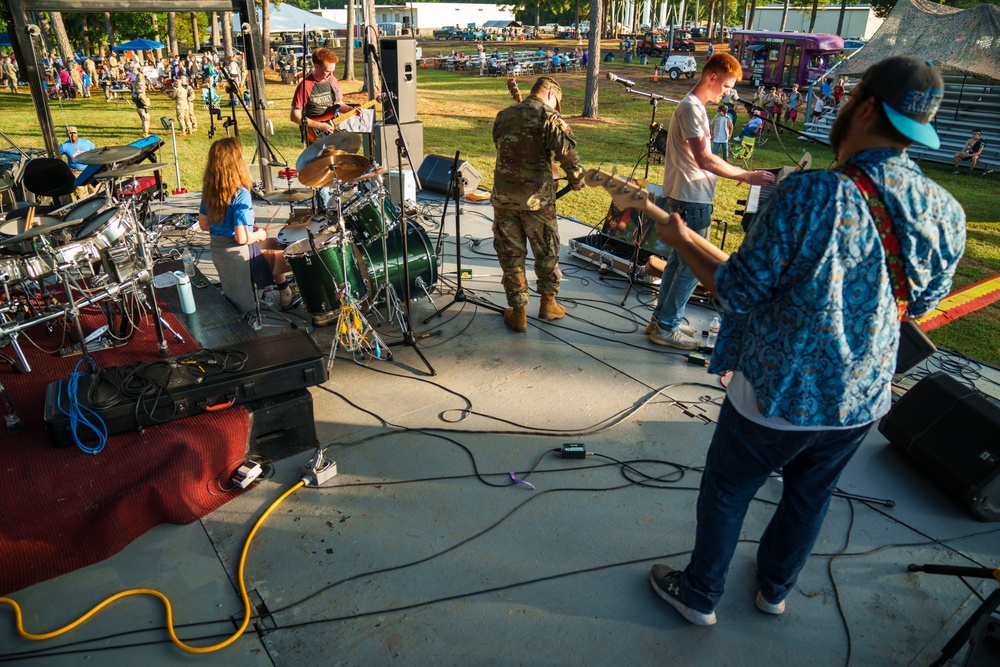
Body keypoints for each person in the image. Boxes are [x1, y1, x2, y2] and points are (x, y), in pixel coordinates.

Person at [646, 55, 965, 627]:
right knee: (810, 496)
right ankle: (774, 590)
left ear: (864, 107)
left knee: (729, 488)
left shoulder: (810, 194)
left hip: (777, 392)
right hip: (861, 397)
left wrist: (679, 236)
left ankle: (700, 595)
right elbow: (919, 304)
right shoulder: (947, 212)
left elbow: (737, 289)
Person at [646, 53, 775, 350]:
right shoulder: (691, 108)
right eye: (727, 85)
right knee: (692, 265)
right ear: (712, 77)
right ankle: (667, 326)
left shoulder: (698, 108)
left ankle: (661, 319)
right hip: (691, 197)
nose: (727, 92)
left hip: (687, 194)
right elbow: (704, 159)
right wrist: (745, 174)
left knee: (678, 261)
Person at [491, 76, 584, 332]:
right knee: (546, 252)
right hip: (537, 201)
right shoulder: (549, 116)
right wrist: (576, 178)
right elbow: (566, 151)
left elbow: (501, 145)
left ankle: (519, 312)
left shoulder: (504, 115)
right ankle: (548, 303)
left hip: (504, 200)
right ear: (552, 94)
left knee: (511, 256)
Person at [197, 137, 295, 316]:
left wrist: (234, 222)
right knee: (289, 252)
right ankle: (286, 291)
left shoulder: (210, 190)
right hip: (238, 253)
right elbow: (241, 238)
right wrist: (259, 235)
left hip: (219, 250)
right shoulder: (240, 194)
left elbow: (203, 224)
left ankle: (285, 292)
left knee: (276, 244)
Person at [289, 47, 353, 143]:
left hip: (333, 130)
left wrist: (350, 110)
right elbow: (294, 116)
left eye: (333, 70)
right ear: (317, 66)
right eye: (327, 71)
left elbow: (338, 104)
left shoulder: (333, 80)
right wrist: (320, 126)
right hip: (315, 134)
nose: (331, 74)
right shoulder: (305, 86)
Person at [59, 126, 97, 199]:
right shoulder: (64, 146)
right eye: (70, 133)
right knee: (81, 196)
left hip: (89, 171)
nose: (73, 135)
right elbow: (56, 155)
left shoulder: (86, 143)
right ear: (67, 134)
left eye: (74, 133)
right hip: (76, 173)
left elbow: (96, 151)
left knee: (95, 191)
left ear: (77, 133)